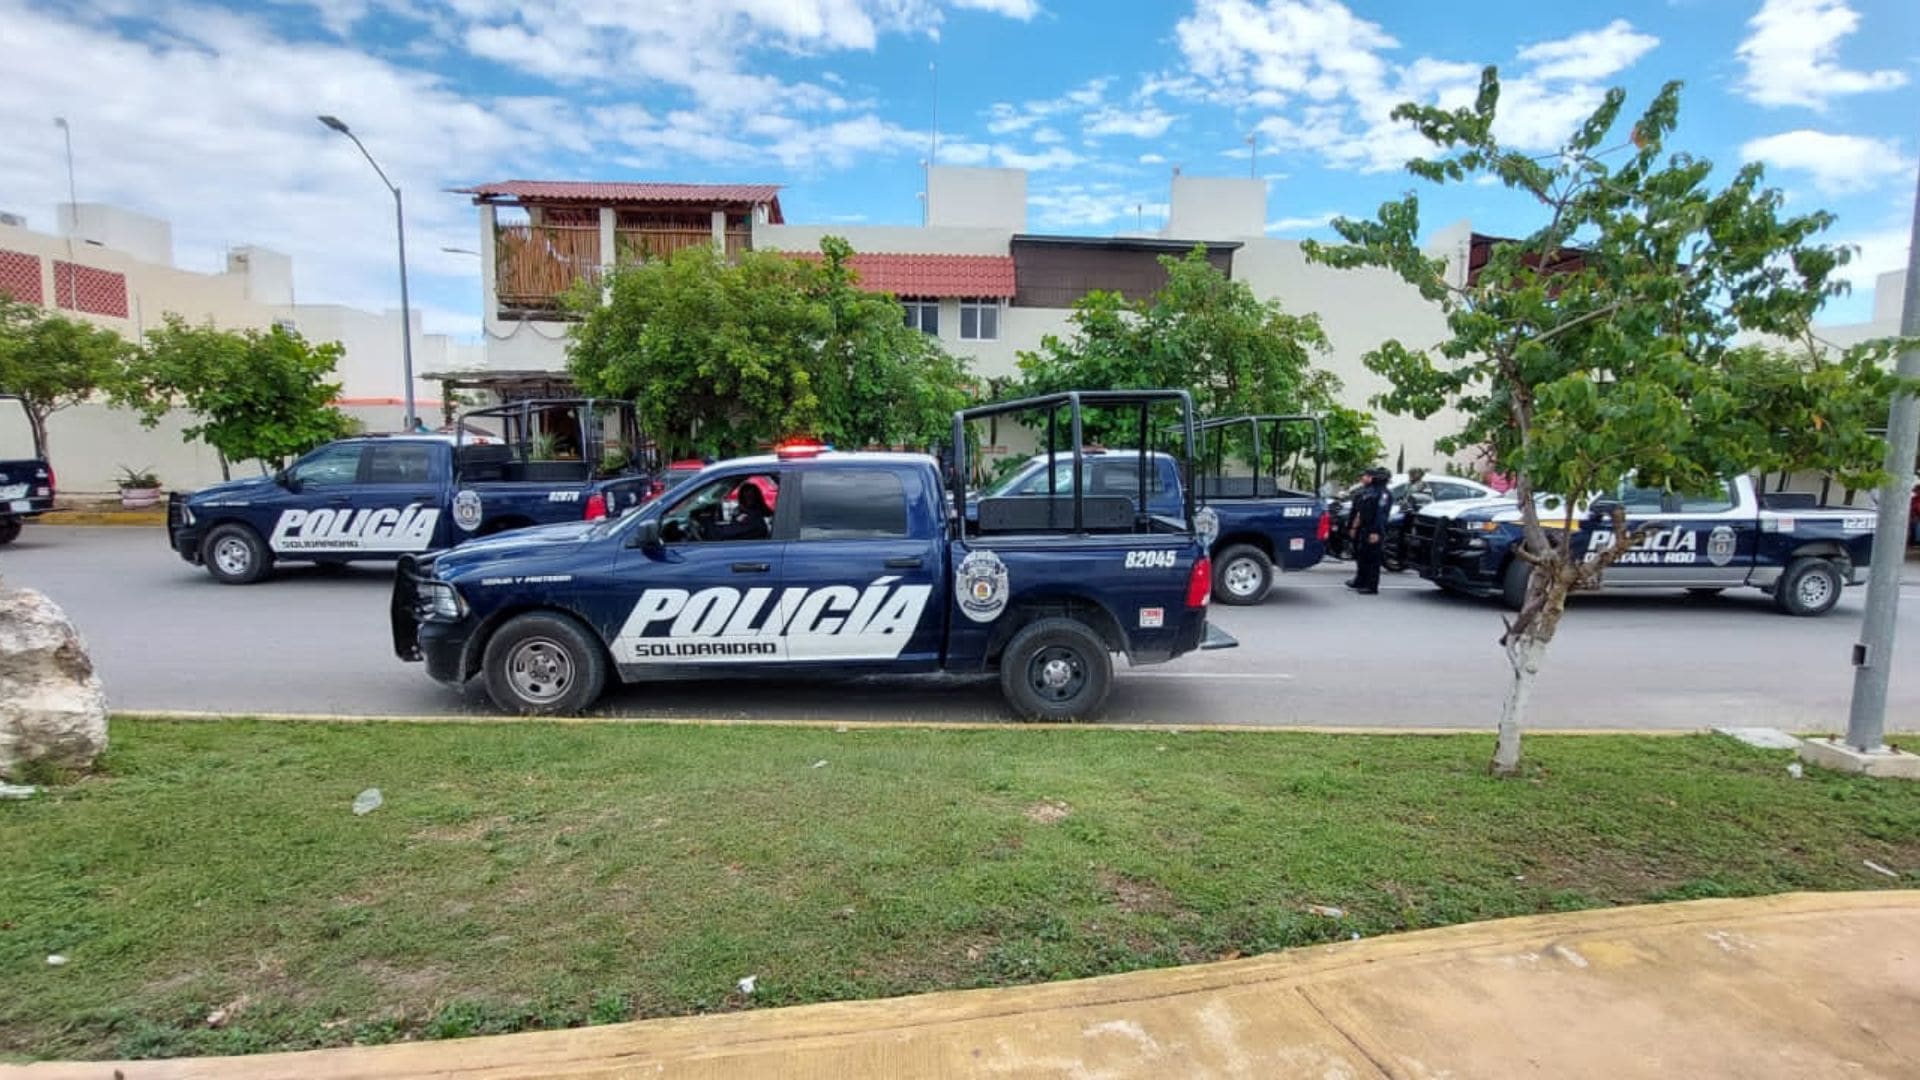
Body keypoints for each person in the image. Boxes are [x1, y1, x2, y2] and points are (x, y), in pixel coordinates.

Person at [1347, 467, 1389, 594]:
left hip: (1374, 529)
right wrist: (1355, 526)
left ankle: (1371, 586)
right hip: (1365, 527)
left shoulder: (1383, 494)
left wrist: (1375, 531)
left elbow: (1380, 515)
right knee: (1363, 556)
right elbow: (1361, 511)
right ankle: (1361, 581)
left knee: (1373, 558)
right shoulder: (1371, 491)